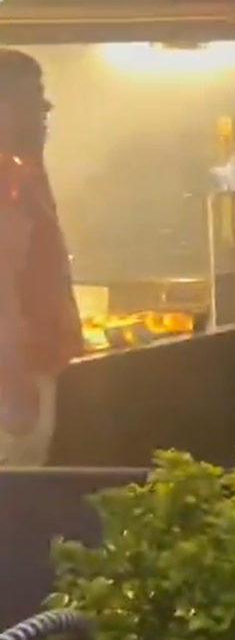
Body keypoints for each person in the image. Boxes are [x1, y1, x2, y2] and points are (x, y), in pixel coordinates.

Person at [0, 50, 83, 468]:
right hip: (13, 386)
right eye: (34, 98)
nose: (45, 108)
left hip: (31, 373)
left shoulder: (21, 175)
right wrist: (12, 385)